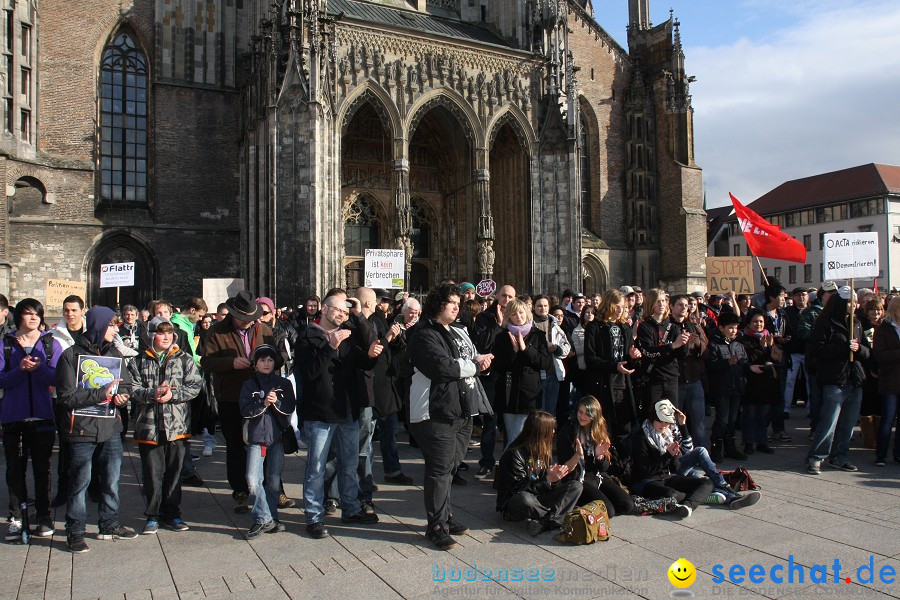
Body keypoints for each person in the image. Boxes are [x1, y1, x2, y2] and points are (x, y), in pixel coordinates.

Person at [407, 282, 493, 549]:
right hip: (436, 412)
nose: (457, 307)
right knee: (439, 470)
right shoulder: (423, 333)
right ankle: (435, 525)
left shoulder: (457, 331)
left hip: (462, 408)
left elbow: (469, 358)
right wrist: (475, 366)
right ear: (437, 304)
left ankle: (445, 515)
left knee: (452, 466)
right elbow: (441, 367)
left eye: (459, 303)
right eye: (451, 303)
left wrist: (481, 362)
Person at [296, 288, 380, 539]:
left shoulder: (348, 335)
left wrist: (371, 349)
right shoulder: (308, 336)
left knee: (349, 464)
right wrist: (330, 347)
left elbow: (363, 360)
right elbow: (310, 373)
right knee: (317, 466)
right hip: (320, 413)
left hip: (347, 411)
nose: (343, 315)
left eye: (346, 312)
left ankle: (351, 508)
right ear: (324, 309)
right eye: (339, 310)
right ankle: (314, 516)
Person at [55, 306, 137, 552]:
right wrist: (102, 393)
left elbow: (126, 384)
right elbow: (66, 396)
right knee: (80, 481)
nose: (116, 329)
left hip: (110, 427)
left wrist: (123, 396)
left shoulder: (114, 353)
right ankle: (75, 531)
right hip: (81, 428)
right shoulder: (71, 355)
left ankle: (109, 523)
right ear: (99, 326)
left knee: (111, 480)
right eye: (112, 324)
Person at [200, 291, 275, 513]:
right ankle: (240, 491)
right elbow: (207, 361)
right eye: (244, 318)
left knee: (264, 443)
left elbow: (275, 355)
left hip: (260, 395)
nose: (248, 322)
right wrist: (232, 362)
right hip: (231, 396)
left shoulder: (263, 329)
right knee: (235, 445)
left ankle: (271, 488)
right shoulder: (217, 331)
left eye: (251, 318)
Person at [128, 317, 203, 534]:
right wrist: (153, 394)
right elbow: (131, 388)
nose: (166, 337)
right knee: (152, 473)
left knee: (175, 473)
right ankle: (153, 515)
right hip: (149, 426)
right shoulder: (138, 361)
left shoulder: (184, 358)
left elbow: (195, 385)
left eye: (169, 332)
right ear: (151, 335)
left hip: (177, 425)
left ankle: (172, 513)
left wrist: (172, 394)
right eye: (161, 333)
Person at [0, 298, 62, 540]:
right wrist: (20, 370)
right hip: (13, 415)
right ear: (19, 318)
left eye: (37, 313)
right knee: (14, 470)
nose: (33, 318)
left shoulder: (51, 344)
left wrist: (38, 370)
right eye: (28, 314)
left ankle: (44, 516)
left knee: (42, 468)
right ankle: (15, 517)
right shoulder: (5, 344)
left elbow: (57, 378)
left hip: (42, 415)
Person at [806, 286, 870, 474]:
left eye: (855, 301)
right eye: (851, 301)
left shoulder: (857, 323)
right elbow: (817, 350)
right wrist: (842, 347)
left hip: (854, 378)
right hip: (834, 378)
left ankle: (840, 456)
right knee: (829, 422)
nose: (855, 304)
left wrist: (858, 349)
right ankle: (816, 457)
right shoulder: (825, 323)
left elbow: (867, 351)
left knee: (848, 423)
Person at [239, 344, 297, 537]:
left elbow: (289, 408)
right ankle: (264, 518)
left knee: (273, 481)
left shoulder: (284, 384)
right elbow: (245, 410)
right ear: (255, 364)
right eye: (262, 360)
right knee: (253, 480)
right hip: (257, 439)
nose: (266, 363)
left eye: (270, 360)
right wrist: (262, 403)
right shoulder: (248, 384)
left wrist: (276, 402)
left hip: (277, 438)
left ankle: (270, 516)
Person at [495, 410, 582, 536]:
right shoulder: (514, 454)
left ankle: (546, 522)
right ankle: (555, 518)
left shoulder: (543, 450)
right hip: (515, 504)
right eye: (551, 429)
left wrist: (557, 476)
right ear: (541, 432)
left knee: (576, 486)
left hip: (539, 497)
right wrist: (547, 480)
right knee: (525, 499)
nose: (553, 433)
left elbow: (552, 482)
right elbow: (518, 490)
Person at [629, 400, 714, 519]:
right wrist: (668, 455)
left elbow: (675, 468)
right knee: (673, 495)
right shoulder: (642, 436)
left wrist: (674, 455)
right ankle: (697, 498)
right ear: (653, 418)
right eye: (660, 421)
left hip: (666, 477)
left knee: (707, 482)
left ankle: (687, 506)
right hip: (646, 481)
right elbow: (646, 470)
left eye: (667, 422)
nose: (663, 425)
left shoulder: (668, 434)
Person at [556, 396, 634, 517]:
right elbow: (565, 467)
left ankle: (592, 505)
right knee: (608, 511)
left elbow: (605, 467)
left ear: (594, 416)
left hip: (597, 476)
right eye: (580, 412)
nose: (582, 416)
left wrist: (599, 456)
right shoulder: (568, 430)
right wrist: (578, 455)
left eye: (587, 414)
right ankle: (579, 503)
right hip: (579, 478)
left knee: (627, 504)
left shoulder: (599, 431)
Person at [493, 298, 552, 448]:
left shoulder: (537, 335)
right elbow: (497, 366)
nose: (518, 316)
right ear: (509, 317)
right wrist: (513, 352)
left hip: (529, 394)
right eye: (514, 314)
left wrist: (526, 349)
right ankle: (514, 469)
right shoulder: (502, 336)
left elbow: (545, 363)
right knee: (512, 435)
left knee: (517, 436)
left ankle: (509, 468)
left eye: (521, 312)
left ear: (527, 313)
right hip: (508, 393)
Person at [583, 289, 641, 437]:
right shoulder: (595, 327)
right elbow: (590, 359)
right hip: (603, 385)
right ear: (608, 305)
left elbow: (630, 357)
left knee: (624, 430)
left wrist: (634, 357)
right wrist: (613, 366)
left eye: (623, 306)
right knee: (603, 429)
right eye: (617, 306)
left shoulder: (625, 328)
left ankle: (622, 459)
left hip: (623, 386)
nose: (620, 310)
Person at [472, 284, 516, 480]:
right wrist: (497, 325)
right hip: (491, 376)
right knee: (490, 421)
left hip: (510, 375)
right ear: (497, 296)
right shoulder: (484, 317)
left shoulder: (518, 316)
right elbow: (482, 344)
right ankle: (487, 462)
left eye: (510, 296)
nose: (506, 299)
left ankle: (509, 464)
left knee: (509, 423)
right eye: (504, 295)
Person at [635, 289, 689, 416]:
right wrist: (672, 346)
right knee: (652, 416)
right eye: (658, 301)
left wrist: (684, 343)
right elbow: (648, 352)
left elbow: (682, 355)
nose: (662, 304)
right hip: (653, 380)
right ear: (650, 303)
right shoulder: (645, 327)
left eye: (664, 301)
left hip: (671, 378)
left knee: (671, 417)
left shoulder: (674, 327)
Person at [705, 311, 748, 461]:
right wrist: (726, 362)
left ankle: (731, 447)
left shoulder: (738, 344)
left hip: (736, 387)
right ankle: (716, 449)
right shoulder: (714, 344)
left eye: (735, 327)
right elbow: (710, 366)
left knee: (732, 419)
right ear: (721, 328)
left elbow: (744, 363)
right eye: (730, 327)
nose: (734, 331)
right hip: (721, 388)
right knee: (722, 419)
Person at [669, 294, 709, 448]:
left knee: (698, 422)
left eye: (686, 305)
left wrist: (698, 343)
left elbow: (706, 353)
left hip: (693, 379)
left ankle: (701, 455)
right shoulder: (667, 326)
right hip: (676, 380)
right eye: (680, 304)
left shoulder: (694, 326)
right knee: (675, 423)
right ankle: (678, 455)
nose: (684, 308)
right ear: (671, 306)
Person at [739, 309, 779, 455]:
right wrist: (761, 350)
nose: (758, 324)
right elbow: (746, 359)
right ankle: (748, 442)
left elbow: (775, 359)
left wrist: (770, 349)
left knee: (763, 414)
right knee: (750, 414)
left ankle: (762, 442)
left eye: (761, 321)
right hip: (750, 382)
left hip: (765, 382)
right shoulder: (743, 340)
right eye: (755, 321)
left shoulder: (768, 338)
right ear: (749, 323)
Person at [532, 295, 571, 416]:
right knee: (539, 411)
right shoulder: (530, 324)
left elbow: (566, 347)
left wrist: (556, 348)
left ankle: (549, 434)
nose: (542, 308)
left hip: (553, 371)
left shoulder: (555, 325)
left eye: (545, 306)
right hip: (536, 372)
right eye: (539, 306)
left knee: (550, 411)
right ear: (533, 307)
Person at [874, 296, 900, 466]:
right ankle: (881, 455)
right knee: (888, 418)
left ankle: (898, 454)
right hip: (890, 380)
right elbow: (879, 355)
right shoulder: (884, 328)